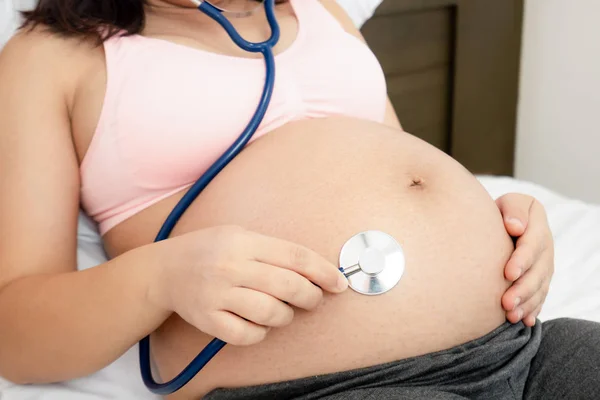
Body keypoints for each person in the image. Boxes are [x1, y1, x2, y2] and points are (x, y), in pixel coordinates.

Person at [0, 0, 598, 399]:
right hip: (330, 386)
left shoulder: (321, 11)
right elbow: (15, 336)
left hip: (524, 345)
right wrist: (158, 278)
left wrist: (502, 227)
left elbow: (396, 172)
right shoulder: (53, 57)